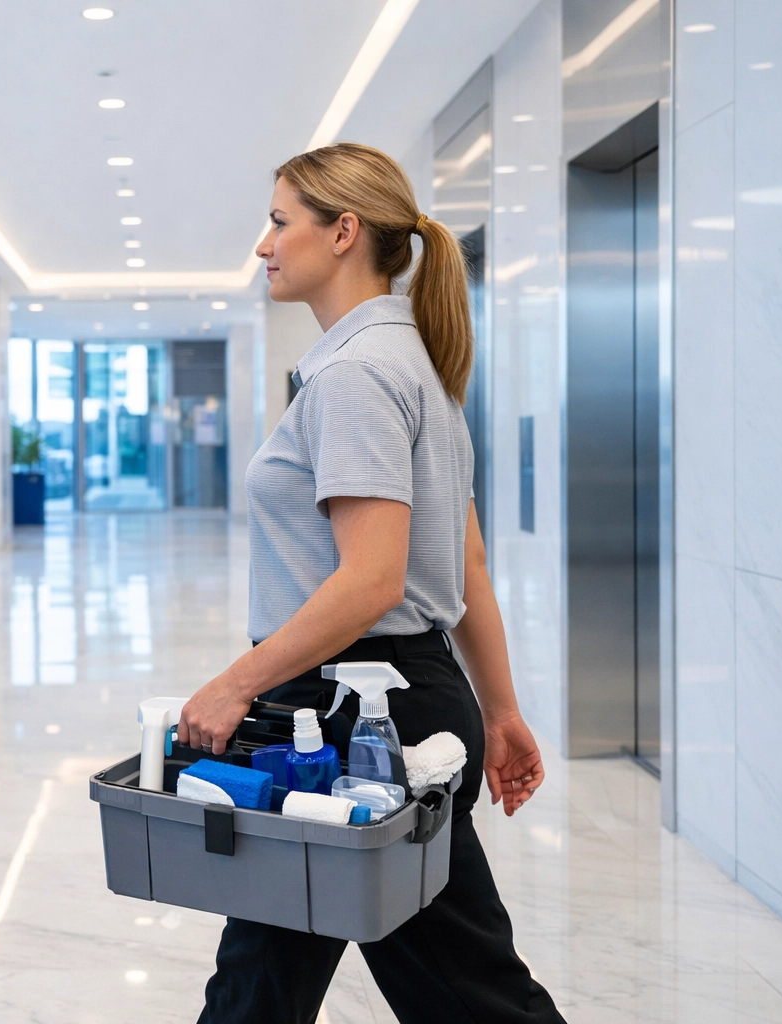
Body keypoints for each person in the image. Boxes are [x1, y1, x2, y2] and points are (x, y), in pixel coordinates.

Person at [177, 143, 565, 1023]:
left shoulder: (356, 376)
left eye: (280, 221)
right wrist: (497, 712)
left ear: (343, 231)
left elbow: (372, 579)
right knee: (275, 982)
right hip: (403, 700)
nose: (262, 245)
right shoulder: (418, 367)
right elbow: (462, 566)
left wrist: (237, 682)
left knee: (452, 990)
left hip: (354, 719)